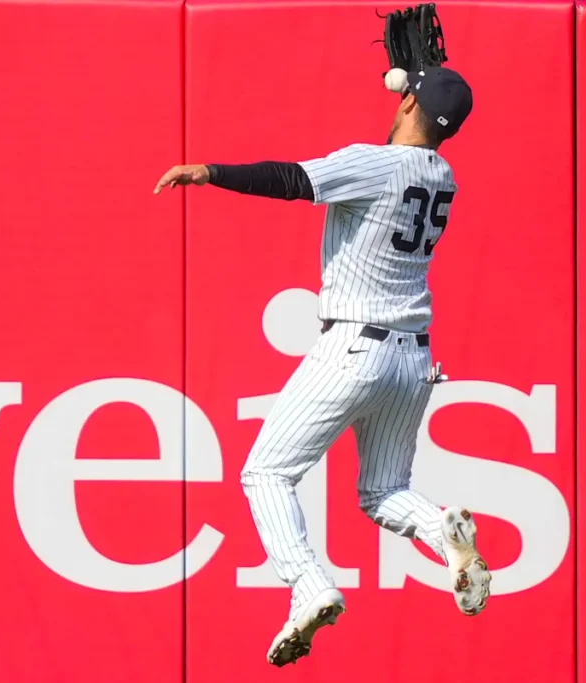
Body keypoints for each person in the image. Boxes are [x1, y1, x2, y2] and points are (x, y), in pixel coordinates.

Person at [153, 66, 491, 667]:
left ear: (408, 98)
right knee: (385, 491)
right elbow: (415, 137)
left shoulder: (376, 163)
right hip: (412, 357)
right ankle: (447, 533)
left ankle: (308, 584)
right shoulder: (445, 175)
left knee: (266, 473)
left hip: (354, 348)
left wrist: (210, 173)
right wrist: (419, 90)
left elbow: (291, 179)